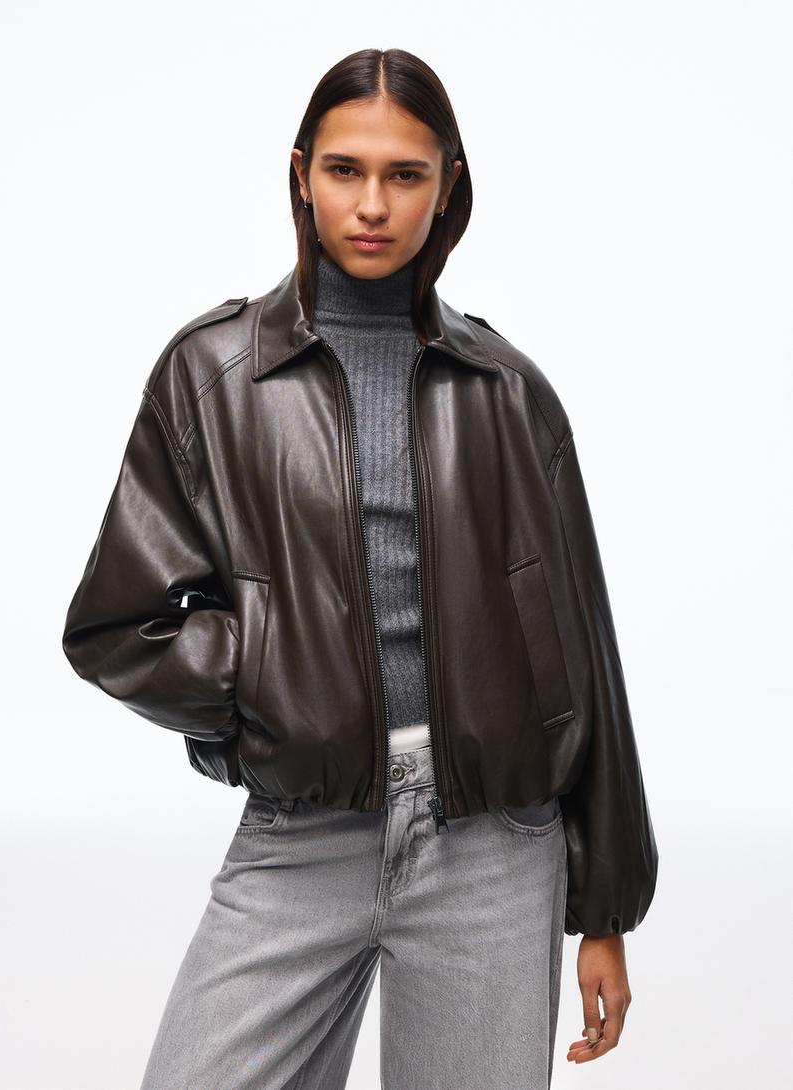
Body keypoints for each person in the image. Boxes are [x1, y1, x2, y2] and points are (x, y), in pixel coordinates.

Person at [61, 47, 658, 1090]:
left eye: (404, 174)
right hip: (303, 831)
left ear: (448, 186)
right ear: (302, 175)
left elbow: (584, 656)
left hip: (494, 847)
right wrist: (266, 676)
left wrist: (603, 910)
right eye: (345, 170)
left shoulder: (509, 393)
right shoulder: (214, 376)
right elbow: (118, 623)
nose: (372, 204)